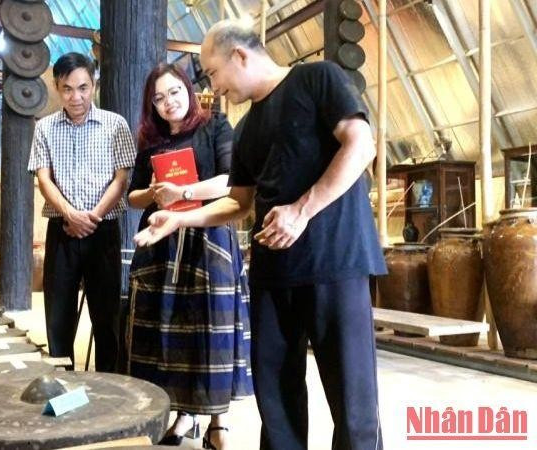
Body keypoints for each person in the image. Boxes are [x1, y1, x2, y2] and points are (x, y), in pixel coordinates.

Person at [134, 21, 386, 450]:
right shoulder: (248, 127)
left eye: (213, 72)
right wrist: (180, 220)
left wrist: (302, 211)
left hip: (336, 262)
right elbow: (238, 202)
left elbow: (362, 144)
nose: (213, 85)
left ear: (240, 55)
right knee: (276, 396)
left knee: (352, 399)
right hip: (273, 273)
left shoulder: (317, 79)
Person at [126, 63, 252, 450]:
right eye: (159, 98)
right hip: (160, 242)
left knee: (210, 328)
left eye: (175, 92)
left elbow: (231, 182)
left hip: (208, 237)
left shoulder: (215, 126)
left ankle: (218, 422)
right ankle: (182, 414)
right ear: (151, 105)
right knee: (166, 331)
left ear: (189, 90)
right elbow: (133, 197)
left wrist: (182, 192)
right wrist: (154, 192)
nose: (168, 102)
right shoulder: (151, 140)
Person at [27, 52, 137, 372]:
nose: (76, 97)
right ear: (56, 87)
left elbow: (121, 179)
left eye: (83, 88)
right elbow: (43, 178)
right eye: (67, 89)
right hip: (62, 231)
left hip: (103, 230)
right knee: (58, 316)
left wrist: (92, 217)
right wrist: (70, 214)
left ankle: (108, 384)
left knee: (106, 316)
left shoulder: (115, 125)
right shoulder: (45, 127)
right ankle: (63, 383)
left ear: (94, 85)